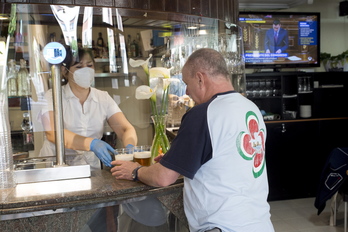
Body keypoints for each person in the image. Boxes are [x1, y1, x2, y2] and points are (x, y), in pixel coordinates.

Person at [111, 48, 275, 232]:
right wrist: (175, 160)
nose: (187, 91)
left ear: (200, 78)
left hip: (223, 226)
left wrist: (136, 171)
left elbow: (162, 178)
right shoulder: (250, 107)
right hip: (259, 223)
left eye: (186, 83)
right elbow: (227, 159)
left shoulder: (203, 114)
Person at [39, 47, 137, 169]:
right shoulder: (52, 95)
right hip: (56, 166)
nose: (86, 70)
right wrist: (91, 144)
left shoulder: (103, 97)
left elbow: (125, 129)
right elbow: (52, 132)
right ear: (65, 70)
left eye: (89, 65)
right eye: (79, 67)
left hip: (90, 168)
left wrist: (130, 147)